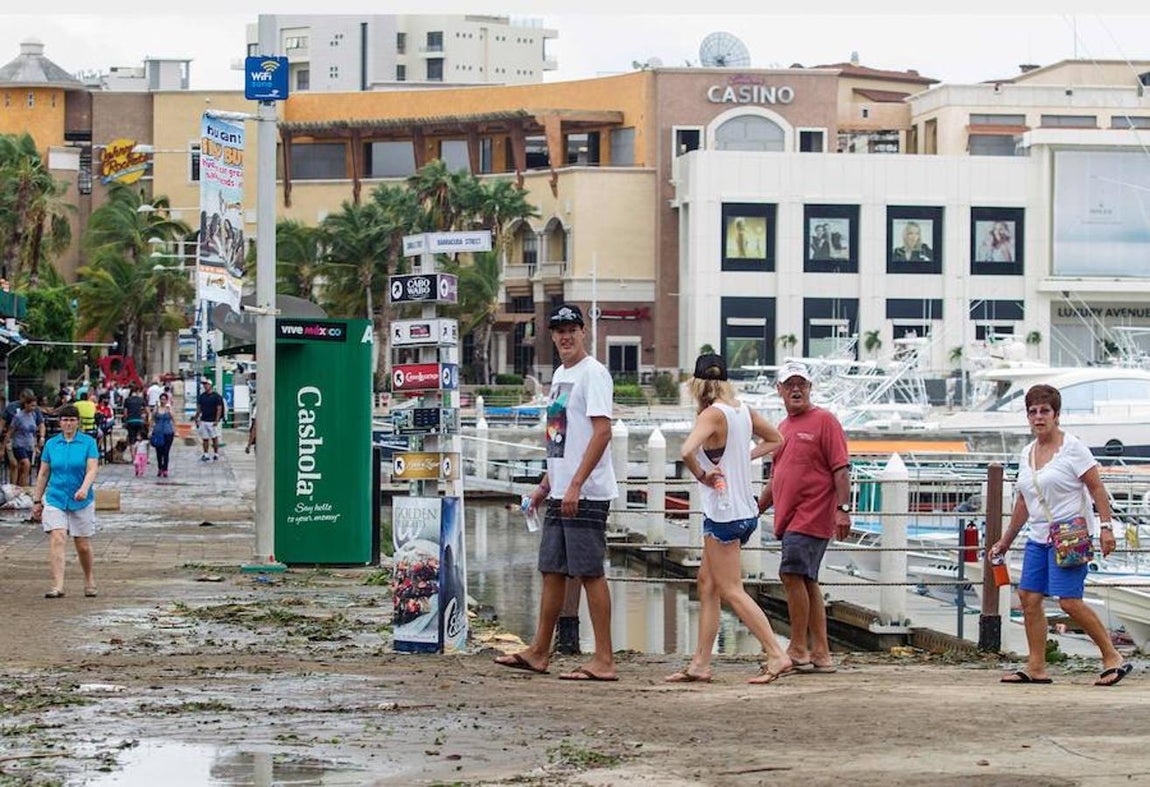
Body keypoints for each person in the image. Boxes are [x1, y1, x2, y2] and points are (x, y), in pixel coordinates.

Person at [494, 302, 619, 681]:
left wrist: (577, 484)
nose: (565, 336)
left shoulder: (593, 374)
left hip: (587, 492)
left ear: (584, 332)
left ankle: (604, 660)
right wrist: (545, 485)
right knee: (551, 570)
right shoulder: (561, 376)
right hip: (561, 490)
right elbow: (560, 439)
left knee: (590, 572)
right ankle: (539, 651)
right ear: (552, 335)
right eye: (559, 330)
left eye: (572, 329)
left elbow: (602, 432)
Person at [989, 384, 1132, 686]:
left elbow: (1096, 488)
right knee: (1029, 597)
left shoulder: (1073, 448)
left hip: (1070, 534)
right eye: (1033, 412)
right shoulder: (1027, 453)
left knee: (1069, 601)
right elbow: (1023, 502)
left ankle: (1112, 657)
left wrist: (1106, 529)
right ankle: (1036, 665)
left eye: (1044, 411)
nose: (1038, 417)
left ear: (1056, 415)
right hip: (1038, 536)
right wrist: (1005, 540)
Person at [664, 353, 793, 685]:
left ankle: (776, 654)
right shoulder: (742, 410)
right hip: (745, 511)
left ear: (696, 385)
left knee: (731, 589)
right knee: (707, 584)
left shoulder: (711, 415)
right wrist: (742, 455)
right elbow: (776, 439)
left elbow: (686, 450)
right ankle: (700, 664)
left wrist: (702, 475)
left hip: (724, 516)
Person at [758, 361, 851, 674]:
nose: (796, 389)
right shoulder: (781, 429)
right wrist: (756, 508)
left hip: (812, 514)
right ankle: (821, 652)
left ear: (810, 388)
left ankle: (798, 647)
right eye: (790, 384)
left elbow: (841, 467)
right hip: (788, 517)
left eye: (802, 384)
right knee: (807, 579)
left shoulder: (825, 421)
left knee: (791, 574)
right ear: (780, 390)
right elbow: (777, 476)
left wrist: (843, 509)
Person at [31, 404, 100, 599]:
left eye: (72, 420)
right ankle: (58, 585)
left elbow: (92, 469)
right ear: (60, 422)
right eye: (65, 420)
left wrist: (84, 488)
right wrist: (37, 500)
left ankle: (89, 579)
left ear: (78, 422)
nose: (68, 424)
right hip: (56, 497)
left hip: (81, 500)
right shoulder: (52, 444)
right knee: (58, 536)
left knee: (82, 544)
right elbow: (43, 473)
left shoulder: (88, 443)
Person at [5, 391, 45, 488]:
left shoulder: (33, 415)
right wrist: (5, 445)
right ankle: (22, 487)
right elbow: (11, 431)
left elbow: (35, 431)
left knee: (25, 469)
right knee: (26, 464)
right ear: (26, 405)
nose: (33, 408)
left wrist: (37, 443)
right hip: (18, 444)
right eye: (31, 406)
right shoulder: (18, 416)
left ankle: (22, 487)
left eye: (35, 406)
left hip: (29, 444)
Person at [195, 379, 225, 461]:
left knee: (214, 438)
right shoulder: (202, 396)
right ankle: (206, 454)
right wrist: (196, 418)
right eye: (204, 384)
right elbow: (199, 408)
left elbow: (219, 409)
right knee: (205, 438)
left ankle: (216, 453)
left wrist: (217, 420)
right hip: (204, 420)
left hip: (212, 421)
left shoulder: (216, 397)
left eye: (207, 384)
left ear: (210, 385)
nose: (205, 386)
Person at [151, 391, 176, 477]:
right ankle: (159, 468)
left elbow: (173, 418)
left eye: (164, 399)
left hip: (168, 432)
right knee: (159, 452)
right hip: (158, 431)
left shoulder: (169, 408)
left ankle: (165, 469)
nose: (163, 401)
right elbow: (152, 419)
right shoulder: (156, 408)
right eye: (161, 399)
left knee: (166, 451)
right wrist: (150, 430)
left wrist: (175, 430)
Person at [121, 383, 148, 449]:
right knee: (139, 438)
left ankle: (133, 458)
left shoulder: (127, 400)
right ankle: (138, 455)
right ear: (138, 391)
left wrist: (125, 421)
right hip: (139, 421)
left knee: (131, 440)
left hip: (130, 421)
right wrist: (145, 418)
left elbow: (125, 413)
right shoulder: (141, 400)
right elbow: (148, 411)